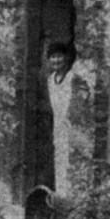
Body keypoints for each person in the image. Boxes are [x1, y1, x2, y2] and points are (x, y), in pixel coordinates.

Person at [46, 41, 76, 198]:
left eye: (59, 56)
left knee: (70, 164)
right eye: (52, 57)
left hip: (71, 128)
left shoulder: (72, 78)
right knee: (59, 163)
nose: (56, 60)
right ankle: (61, 202)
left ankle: (70, 200)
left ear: (66, 58)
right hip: (58, 129)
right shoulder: (51, 80)